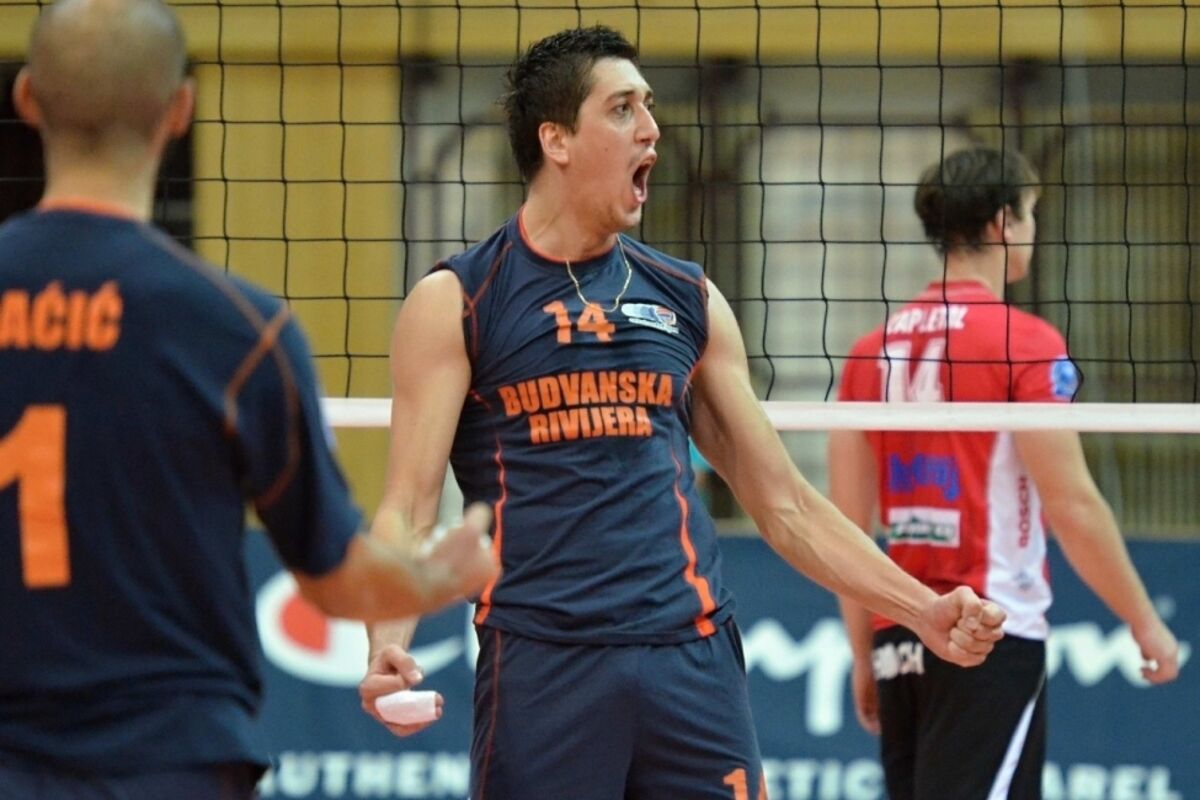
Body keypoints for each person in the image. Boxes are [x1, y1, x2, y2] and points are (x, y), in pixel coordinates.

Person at [358, 26, 1006, 800]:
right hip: (543, 666)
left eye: (649, 106)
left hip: (691, 661)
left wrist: (923, 610)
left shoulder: (686, 297)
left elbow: (786, 504)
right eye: (622, 109)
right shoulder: (457, 301)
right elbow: (407, 506)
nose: (651, 129)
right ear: (556, 140)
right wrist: (386, 642)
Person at [0, 1, 497, 797]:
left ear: (26, 98)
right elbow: (331, 575)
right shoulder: (240, 331)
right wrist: (435, 578)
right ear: (180, 109)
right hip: (172, 755)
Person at [829, 146, 1182, 800]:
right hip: (988, 632)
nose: (1034, 230)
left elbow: (845, 527)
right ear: (1002, 222)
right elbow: (1072, 505)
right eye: (1031, 213)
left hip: (899, 633)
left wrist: (861, 652)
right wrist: (1145, 621)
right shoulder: (1024, 341)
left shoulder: (867, 352)